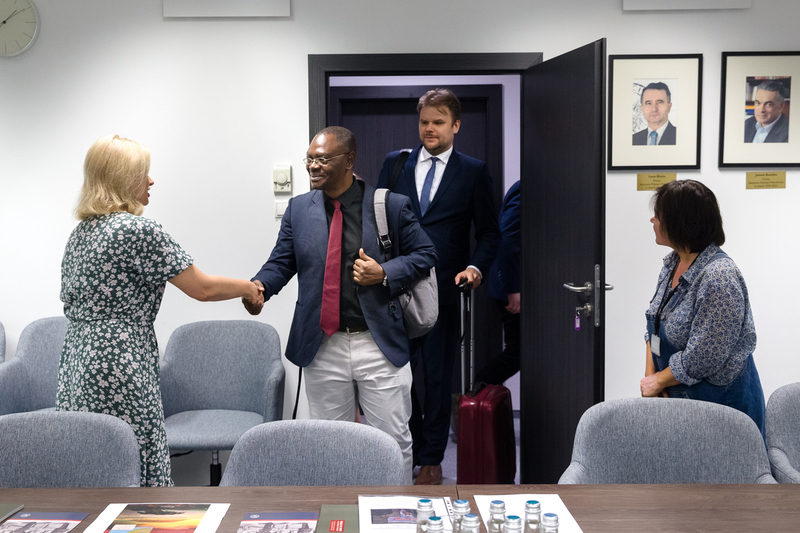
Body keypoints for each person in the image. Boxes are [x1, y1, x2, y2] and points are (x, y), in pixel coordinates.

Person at [57, 134, 263, 487]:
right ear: (123, 177)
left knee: (91, 461)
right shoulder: (138, 229)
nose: (151, 181)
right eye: (144, 173)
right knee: (133, 460)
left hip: (77, 360)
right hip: (120, 362)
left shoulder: (80, 233)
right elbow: (202, 288)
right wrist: (249, 287)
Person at [243, 126, 437, 484]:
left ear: (349, 160)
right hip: (323, 345)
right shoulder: (299, 209)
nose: (313, 167)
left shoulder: (389, 206)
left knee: (392, 442)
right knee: (331, 446)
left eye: (322, 160)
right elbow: (281, 262)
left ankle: (394, 517)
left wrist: (384, 272)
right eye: (309, 160)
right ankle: (342, 516)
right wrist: (260, 288)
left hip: (379, 343)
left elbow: (426, 254)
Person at [377, 88, 500, 485]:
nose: (429, 129)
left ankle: (431, 456)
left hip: (444, 290)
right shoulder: (395, 165)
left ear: (456, 125)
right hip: (393, 289)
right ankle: (403, 450)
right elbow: (375, 219)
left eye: (438, 122)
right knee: (397, 373)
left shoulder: (473, 170)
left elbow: (489, 233)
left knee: (435, 376)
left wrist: (476, 267)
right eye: (424, 122)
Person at [640, 179, 765, 439]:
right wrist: (650, 377)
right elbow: (655, 325)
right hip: (679, 396)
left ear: (680, 223)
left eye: (658, 215)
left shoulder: (718, 275)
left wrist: (659, 381)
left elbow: (704, 356)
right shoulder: (673, 262)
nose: (652, 221)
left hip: (720, 408)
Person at [475, 180, 521, 385]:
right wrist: (513, 288)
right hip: (511, 289)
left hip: (516, 286)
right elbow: (506, 240)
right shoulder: (524, 188)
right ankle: (474, 396)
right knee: (516, 353)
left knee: (522, 352)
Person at [633, 82, 677, 146]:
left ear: (669, 107)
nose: (654, 109)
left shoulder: (680, 137)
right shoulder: (634, 139)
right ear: (642, 108)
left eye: (659, 102)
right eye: (648, 103)